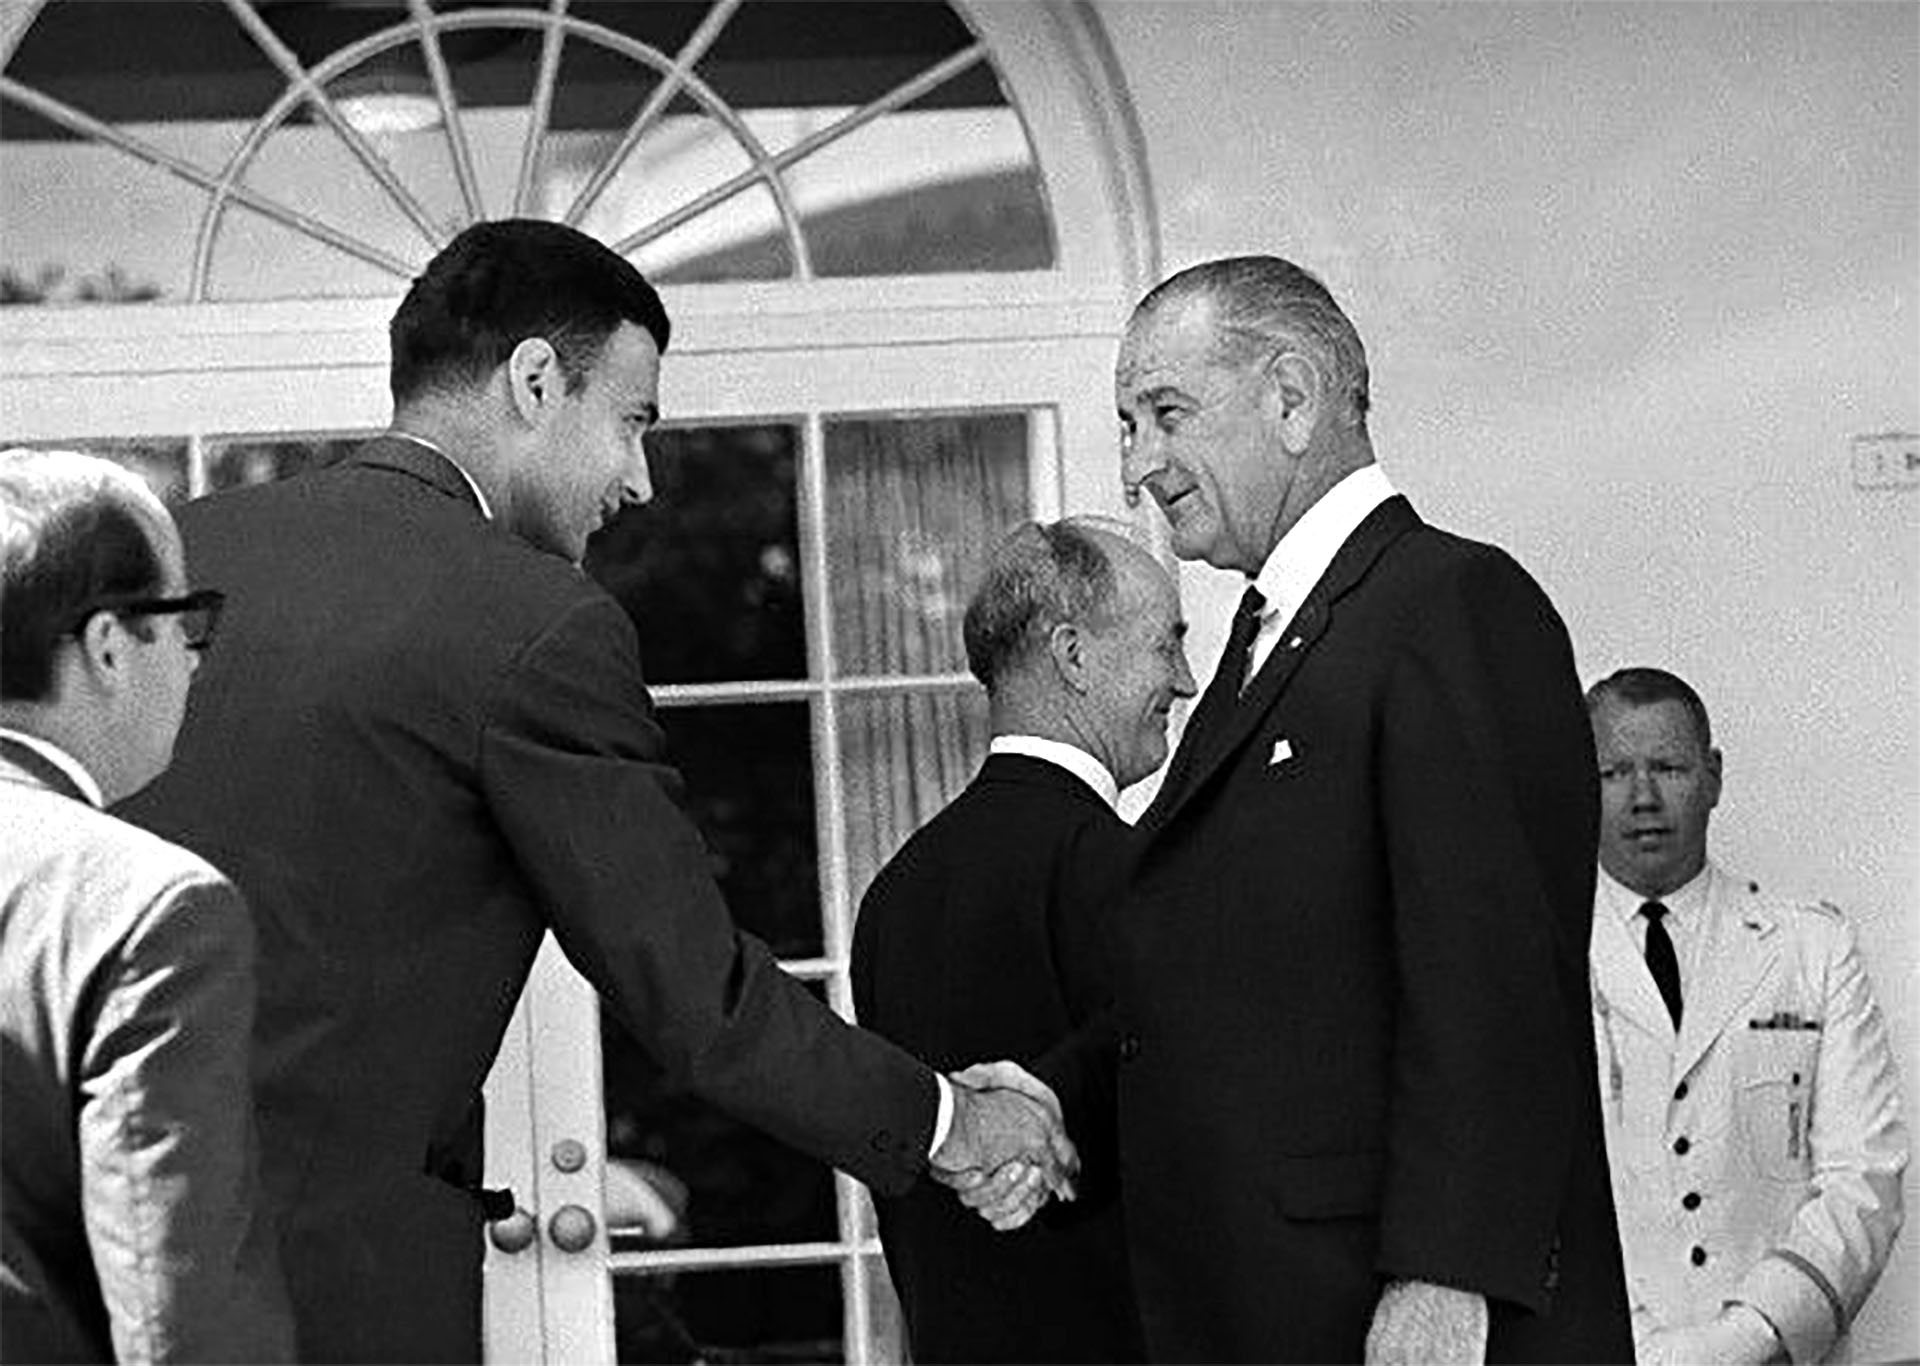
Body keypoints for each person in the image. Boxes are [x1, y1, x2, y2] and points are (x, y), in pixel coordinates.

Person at [117, 219, 1070, 1363]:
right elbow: (698, 1001)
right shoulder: (533, 622)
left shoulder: (158, 563)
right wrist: (955, 1122)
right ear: (533, 381)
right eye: (632, 421)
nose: (640, 478)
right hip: (326, 1298)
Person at [1088, 255, 1632, 1362]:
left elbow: (1495, 977)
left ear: (1292, 398)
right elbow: (1242, 973)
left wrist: (1447, 1278)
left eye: (1165, 413)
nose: (1140, 463)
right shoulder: (1264, 637)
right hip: (1278, 1308)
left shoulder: (1453, 605)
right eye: (1128, 425)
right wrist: (1052, 1098)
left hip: (1403, 1319)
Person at [853, 517, 1192, 1363]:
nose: (1184, 681)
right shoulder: (1132, 877)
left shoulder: (893, 896)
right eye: (1165, 647)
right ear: (1073, 655)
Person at [1, 448, 294, 1362]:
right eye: (187, 622)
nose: (196, 665)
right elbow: (180, 1315)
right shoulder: (147, 909)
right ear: (109, 646)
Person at [1586, 666, 1907, 1365]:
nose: (1643, 798)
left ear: (1714, 778)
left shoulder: (1812, 947)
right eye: (1614, 772)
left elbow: (1864, 1177)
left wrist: (1750, 1338)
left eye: (1668, 767)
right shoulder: (1533, 960)